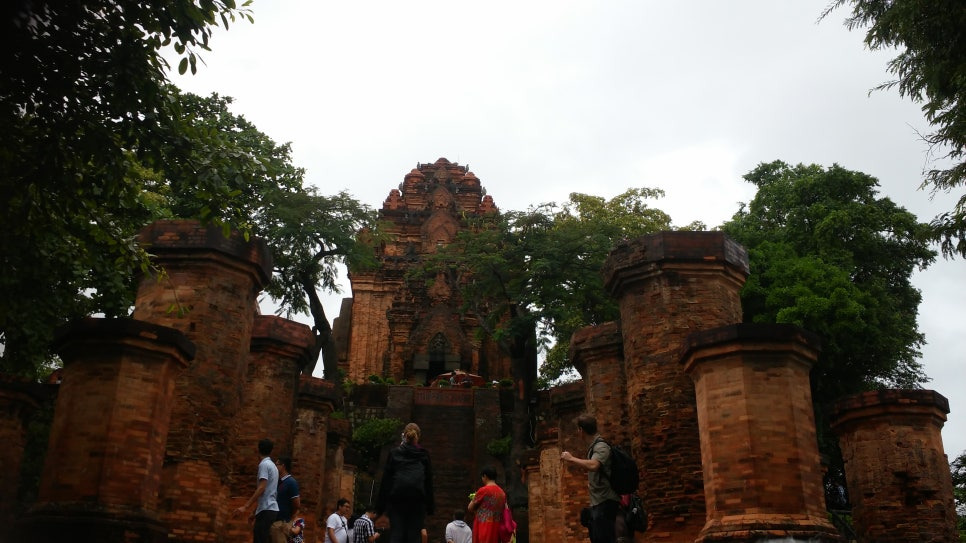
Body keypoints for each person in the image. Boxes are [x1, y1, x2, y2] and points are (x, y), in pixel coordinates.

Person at [560, 414, 620, 543]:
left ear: (581, 430)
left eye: (578, 429)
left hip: (605, 502)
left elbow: (594, 465)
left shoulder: (601, 446)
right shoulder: (594, 446)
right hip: (599, 502)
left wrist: (571, 458)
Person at [376, 422, 435, 543]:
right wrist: (430, 506)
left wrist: (380, 508)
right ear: (418, 437)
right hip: (417, 500)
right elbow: (428, 481)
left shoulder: (394, 453)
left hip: (397, 499)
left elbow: (386, 481)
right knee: (414, 536)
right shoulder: (423, 455)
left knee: (396, 533)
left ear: (404, 435)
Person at [235, 438, 280, 543]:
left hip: (266, 510)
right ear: (271, 451)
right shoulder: (274, 467)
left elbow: (262, 488)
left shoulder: (264, 465)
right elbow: (269, 492)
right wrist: (255, 511)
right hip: (271, 509)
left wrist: (245, 506)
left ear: (258, 450)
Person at [466, 465, 505, 543]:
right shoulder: (502, 492)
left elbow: (470, 507)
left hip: (484, 527)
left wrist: (474, 497)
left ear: (485, 476)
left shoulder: (483, 490)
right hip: (497, 528)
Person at [271, 456, 301, 543]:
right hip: (273, 522)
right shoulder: (277, 481)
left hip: (281, 524)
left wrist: (288, 520)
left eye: (277, 465)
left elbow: (296, 504)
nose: (275, 467)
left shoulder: (291, 482)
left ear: (283, 466)